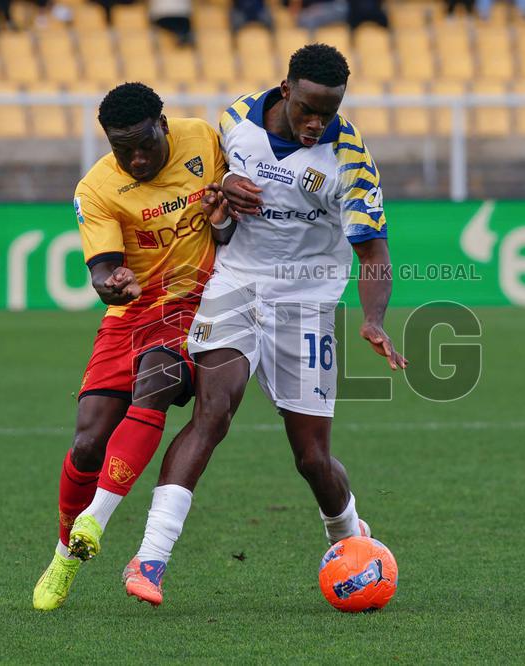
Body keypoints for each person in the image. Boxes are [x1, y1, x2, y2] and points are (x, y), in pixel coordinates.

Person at [120, 43, 408, 607]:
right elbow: (208, 189)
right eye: (307, 109)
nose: (316, 123)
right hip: (237, 283)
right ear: (286, 89)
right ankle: (150, 558)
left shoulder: (350, 160)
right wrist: (222, 193)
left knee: (311, 457)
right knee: (214, 411)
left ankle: (349, 537)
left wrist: (373, 320)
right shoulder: (236, 119)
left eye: (329, 111)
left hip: (306, 301)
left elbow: (374, 252)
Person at [32, 82, 230, 611]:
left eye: (145, 145)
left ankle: (95, 519)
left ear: (163, 125)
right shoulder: (96, 188)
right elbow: (100, 269)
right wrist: (110, 281)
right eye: (124, 150)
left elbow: (233, 222)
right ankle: (65, 553)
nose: (137, 159)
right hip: (131, 314)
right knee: (87, 443)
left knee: (156, 381)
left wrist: (224, 219)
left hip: (193, 306)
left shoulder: (205, 142)